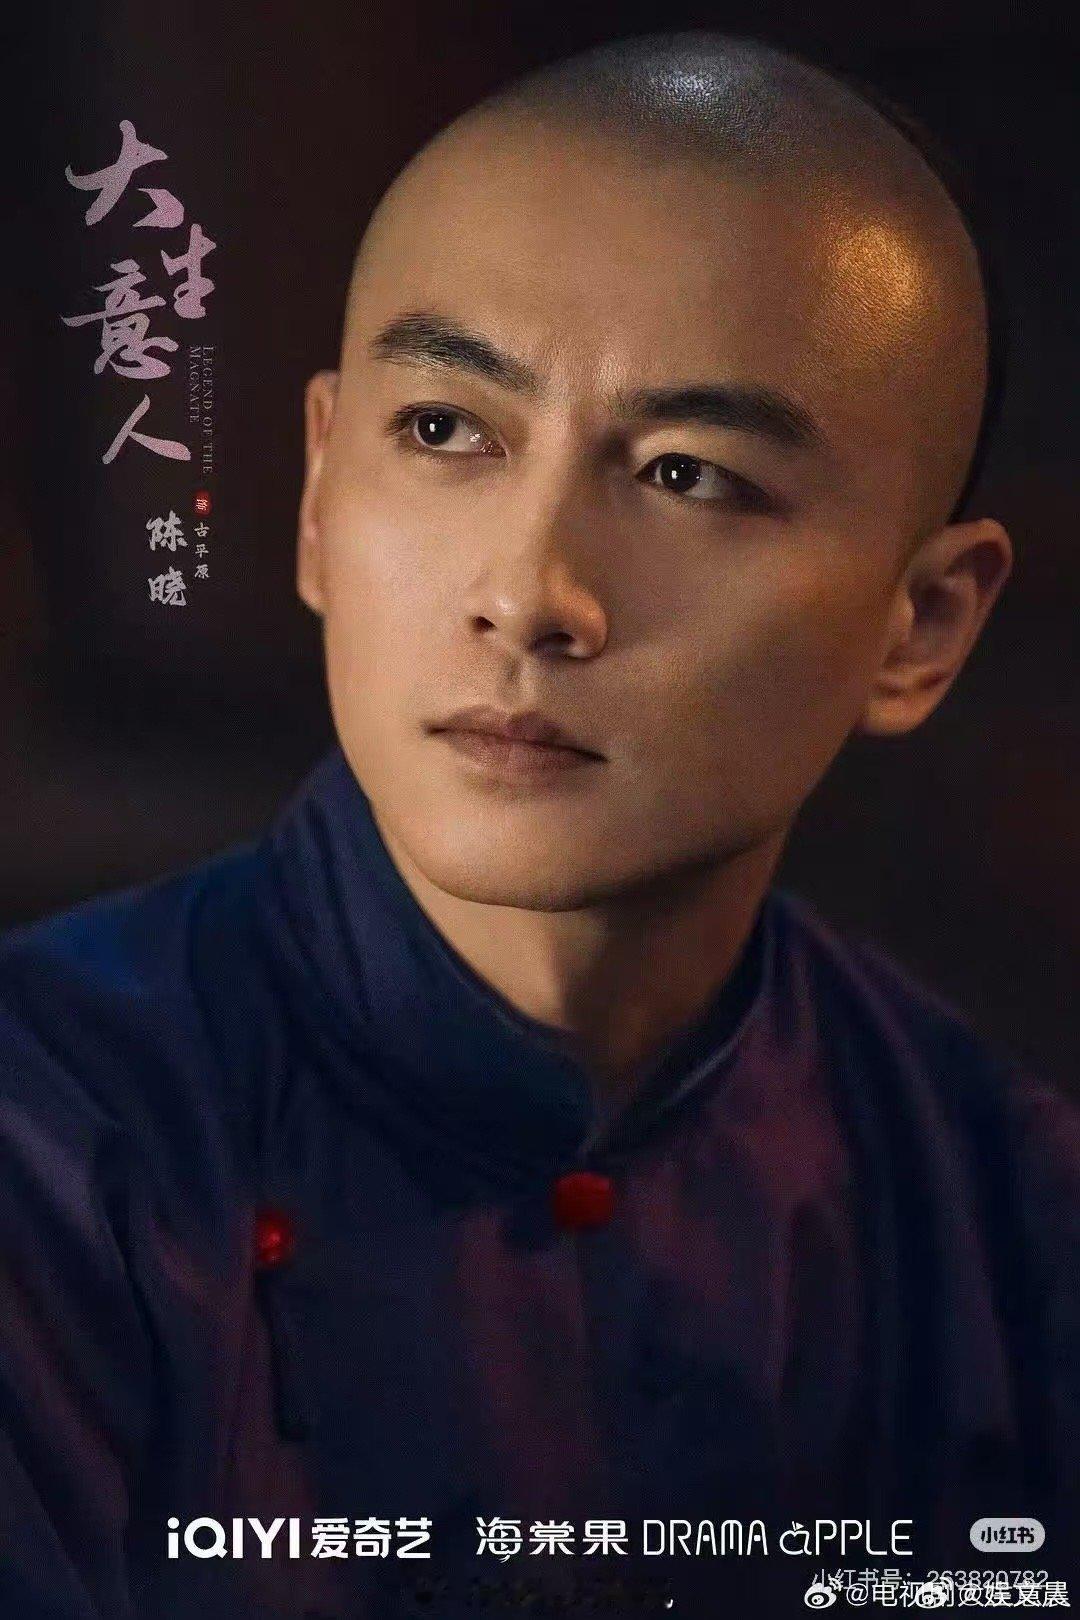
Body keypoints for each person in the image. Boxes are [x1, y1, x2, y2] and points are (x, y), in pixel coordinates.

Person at [1, 29, 1076, 1620]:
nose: (529, 593)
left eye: (689, 474)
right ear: (317, 497)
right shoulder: (45, 1152)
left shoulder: (1002, 1215)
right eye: (446, 432)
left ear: (921, 626)